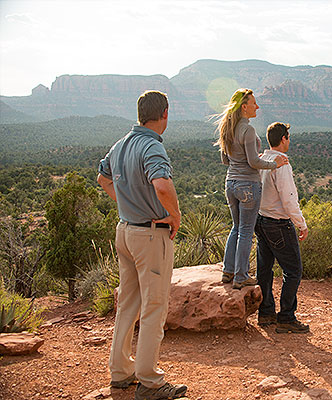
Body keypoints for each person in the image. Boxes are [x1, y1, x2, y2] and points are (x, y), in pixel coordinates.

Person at [97, 90, 187, 399]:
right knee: (154, 307)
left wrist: (125, 204)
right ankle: (149, 381)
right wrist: (174, 215)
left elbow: (102, 178)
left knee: (128, 304)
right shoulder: (151, 146)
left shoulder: (119, 144)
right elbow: (162, 185)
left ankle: (120, 372)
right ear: (165, 114)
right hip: (150, 235)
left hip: (125, 231)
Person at [217, 89, 288, 289]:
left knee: (236, 228)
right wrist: (276, 164)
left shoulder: (227, 129)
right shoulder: (247, 130)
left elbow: (225, 159)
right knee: (247, 231)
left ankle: (227, 271)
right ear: (244, 106)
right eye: (254, 103)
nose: (257, 107)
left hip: (230, 183)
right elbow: (254, 161)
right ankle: (241, 276)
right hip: (248, 185)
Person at [255, 122, 310, 334]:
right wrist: (301, 224)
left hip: (261, 221)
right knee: (293, 270)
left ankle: (266, 312)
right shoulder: (282, 163)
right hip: (278, 223)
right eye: (289, 137)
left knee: (265, 269)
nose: (289, 140)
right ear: (284, 138)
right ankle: (286, 316)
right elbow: (289, 199)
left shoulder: (261, 159)